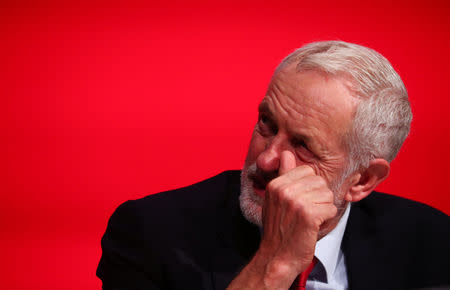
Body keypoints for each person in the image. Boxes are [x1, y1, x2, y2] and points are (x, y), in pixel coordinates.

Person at [97, 41, 450, 290]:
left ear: (362, 179)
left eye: (303, 145)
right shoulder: (153, 235)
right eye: (267, 123)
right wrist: (274, 266)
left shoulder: (434, 246)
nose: (266, 158)